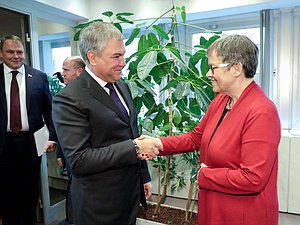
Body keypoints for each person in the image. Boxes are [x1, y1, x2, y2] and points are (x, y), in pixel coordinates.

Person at [140, 34, 281, 225]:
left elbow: (252, 178)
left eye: (213, 67)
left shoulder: (262, 112)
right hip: (214, 207)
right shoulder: (222, 101)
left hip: (242, 214)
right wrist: (158, 143)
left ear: (237, 69)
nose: (208, 74)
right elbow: (196, 138)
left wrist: (204, 175)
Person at [52, 22, 160, 225]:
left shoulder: (122, 86)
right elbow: (79, 161)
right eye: (116, 56)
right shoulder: (69, 98)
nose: (124, 62)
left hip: (128, 197)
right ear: (92, 57)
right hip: (97, 206)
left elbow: (131, 132)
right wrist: (135, 147)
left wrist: (143, 176)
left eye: (123, 55)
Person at [0, 35, 57, 225]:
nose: (15, 56)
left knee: (29, 192)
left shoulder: (39, 77)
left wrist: (52, 138)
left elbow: (49, 111)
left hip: (31, 143)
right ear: (1, 53)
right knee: (6, 193)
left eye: (19, 52)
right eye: (10, 52)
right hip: (3, 144)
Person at [55, 56, 85, 225]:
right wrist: (60, 153)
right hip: (69, 155)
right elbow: (62, 131)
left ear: (79, 71)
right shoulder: (63, 95)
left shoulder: (86, 95)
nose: (62, 73)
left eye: (66, 69)